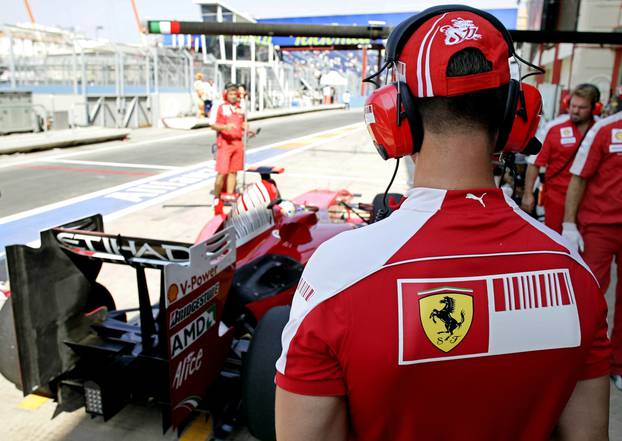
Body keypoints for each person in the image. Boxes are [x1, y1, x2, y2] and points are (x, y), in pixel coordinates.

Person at [275, 6, 610, 441]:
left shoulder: (337, 275)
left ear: (396, 120)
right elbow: (589, 435)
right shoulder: (575, 273)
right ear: (514, 117)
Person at [563, 110, 622, 389]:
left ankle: (618, 364)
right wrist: (569, 223)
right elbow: (578, 177)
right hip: (600, 226)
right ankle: (578, 360)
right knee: (591, 295)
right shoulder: (606, 129)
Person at [521, 84, 600, 233]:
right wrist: (528, 194)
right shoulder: (554, 128)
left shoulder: (601, 129)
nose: (575, 111)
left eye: (582, 107)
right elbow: (534, 163)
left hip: (592, 202)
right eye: (573, 106)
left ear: (594, 108)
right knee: (558, 241)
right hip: (557, 200)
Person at [210, 84, 247, 214]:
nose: (233, 97)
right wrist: (225, 127)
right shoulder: (221, 108)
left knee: (233, 172)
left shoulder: (240, 109)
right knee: (222, 172)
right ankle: (217, 197)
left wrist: (246, 128)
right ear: (226, 95)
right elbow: (213, 125)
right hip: (225, 143)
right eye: (230, 94)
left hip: (238, 143)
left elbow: (242, 123)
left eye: (235, 94)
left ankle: (230, 196)